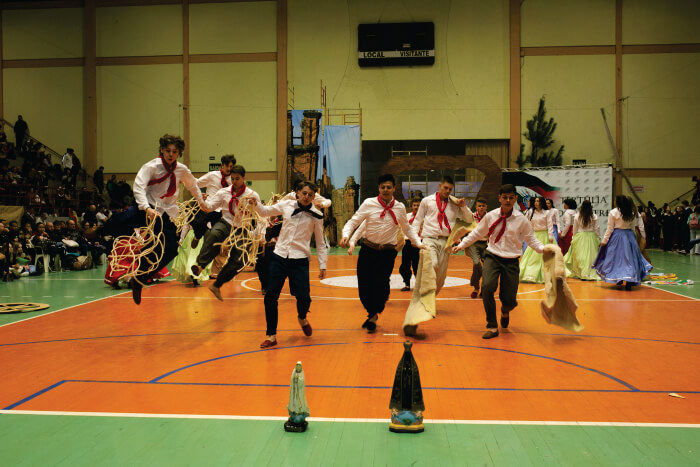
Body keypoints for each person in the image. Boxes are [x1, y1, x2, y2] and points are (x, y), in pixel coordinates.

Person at [453, 184, 548, 339]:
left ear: (516, 199)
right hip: (493, 256)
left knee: (509, 299)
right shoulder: (490, 216)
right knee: (487, 286)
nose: (508, 200)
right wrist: (462, 245)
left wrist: (545, 249)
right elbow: (477, 233)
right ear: (499, 198)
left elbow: (532, 241)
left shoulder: (522, 220)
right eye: (505, 197)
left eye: (511, 197)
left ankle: (505, 311)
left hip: (511, 261)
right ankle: (491, 325)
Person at [339, 174, 424, 333]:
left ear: (394, 189)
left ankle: (373, 315)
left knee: (381, 285)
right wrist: (346, 235)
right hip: (368, 250)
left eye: (389, 187)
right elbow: (354, 221)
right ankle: (372, 313)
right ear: (379, 188)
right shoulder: (368, 203)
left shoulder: (399, 208)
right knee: (364, 286)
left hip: (387, 252)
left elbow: (407, 228)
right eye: (383, 187)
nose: (386, 190)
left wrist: (418, 242)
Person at [129, 134, 206, 304]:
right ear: (162, 150)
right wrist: (146, 208)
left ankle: (140, 278)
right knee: (151, 240)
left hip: (167, 212)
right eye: (168, 151)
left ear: (178, 153)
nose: (171, 154)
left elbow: (193, 186)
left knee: (171, 249)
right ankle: (139, 276)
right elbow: (139, 186)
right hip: (149, 208)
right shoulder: (152, 166)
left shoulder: (182, 170)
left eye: (175, 151)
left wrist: (202, 203)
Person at [251, 180, 327, 348]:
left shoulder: (317, 215)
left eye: (310, 195)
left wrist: (323, 265)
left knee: (304, 297)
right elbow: (264, 212)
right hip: (279, 256)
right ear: (297, 193)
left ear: (314, 197)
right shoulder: (286, 205)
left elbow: (321, 243)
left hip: (300, 259)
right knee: (270, 296)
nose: (307, 197)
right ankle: (271, 335)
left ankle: (302, 317)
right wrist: (255, 201)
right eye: (304, 193)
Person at [191, 165, 260, 300]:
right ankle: (200, 265)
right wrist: (202, 200)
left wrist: (256, 204)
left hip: (242, 228)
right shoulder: (223, 192)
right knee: (214, 234)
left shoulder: (252, 195)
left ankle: (217, 284)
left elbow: (261, 212)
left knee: (239, 260)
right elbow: (210, 208)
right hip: (227, 222)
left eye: (237, 178)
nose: (234, 181)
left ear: (243, 178)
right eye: (232, 178)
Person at [411, 176, 474, 294]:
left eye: (450, 189)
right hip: (429, 239)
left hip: (446, 242)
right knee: (432, 264)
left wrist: (463, 206)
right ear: (440, 186)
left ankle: (430, 299)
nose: (447, 191)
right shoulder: (427, 201)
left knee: (441, 277)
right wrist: (414, 239)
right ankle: (424, 294)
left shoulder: (455, 204)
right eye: (445, 188)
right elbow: (418, 220)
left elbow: (470, 219)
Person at [593, 195, 652, 290]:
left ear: (618, 202)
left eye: (615, 200)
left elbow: (610, 229)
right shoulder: (632, 212)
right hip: (630, 236)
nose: (614, 201)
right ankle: (629, 280)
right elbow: (633, 226)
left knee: (617, 259)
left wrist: (604, 241)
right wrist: (637, 237)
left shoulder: (613, 212)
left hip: (617, 236)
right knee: (629, 259)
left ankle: (619, 278)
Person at [189, 154, 236, 249]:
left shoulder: (234, 179)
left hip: (221, 211)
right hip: (208, 206)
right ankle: (198, 236)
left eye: (231, 166)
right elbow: (197, 183)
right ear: (222, 165)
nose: (229, 168)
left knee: (218, 234)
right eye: (227, 166)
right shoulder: (212, 175)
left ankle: (208, 236)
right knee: (195, 220)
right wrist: (199, 194)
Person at [563, 200, 601, 280]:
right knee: (591, 256)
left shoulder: (577, 216)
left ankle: (582, 273)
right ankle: (587, 272)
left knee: (580, 256)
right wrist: (599, 238)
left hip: (580, 237)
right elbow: (597, 228)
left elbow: (575, 228)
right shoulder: (594, 216)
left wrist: (573, 237)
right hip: (591, 237)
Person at [519, 196, 553, 283]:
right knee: (532, 257)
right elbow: (526, 223)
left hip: (545, 235)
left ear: (542, 202)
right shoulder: (530, 212)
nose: (536, 203)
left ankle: (548, 275)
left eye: (538, 201)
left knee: (546, 256)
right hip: (534, 236)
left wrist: (550, 235)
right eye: (535, 201)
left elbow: (550, 224)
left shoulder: (547, 212)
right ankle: (530, 274)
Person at [398, 198, 421, 291]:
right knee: (405, 265)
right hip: (407, 243)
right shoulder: (407, 216)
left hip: (419, 243)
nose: (416, 207)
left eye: (418, 205)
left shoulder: (425, 218)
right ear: (411, 206)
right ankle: (407, 284)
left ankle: (419, 285)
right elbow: (401, 228)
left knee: (418, 265)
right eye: (414, 205)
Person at [466, 198, 488, 298]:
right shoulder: (471, 217)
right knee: (476, 263)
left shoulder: (489, 217)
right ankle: (476, 287)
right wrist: (465, 246)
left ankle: (484, 288)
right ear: (476, 207)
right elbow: (465, 229)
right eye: (479, 206)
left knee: (487, 267)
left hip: (485, 244)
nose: (481, 207)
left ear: (486, 207)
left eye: (483, 206)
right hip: (473, 243)